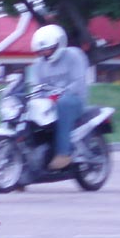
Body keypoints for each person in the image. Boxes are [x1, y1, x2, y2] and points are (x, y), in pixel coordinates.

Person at [27, 23, 90, 170]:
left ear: (59, 44)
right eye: (42, 50)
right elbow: (36, 86)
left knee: (63, 103)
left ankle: (64, 154)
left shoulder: (74, 56)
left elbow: (78, 83)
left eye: (48, 48)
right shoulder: (39, 64)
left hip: (74, 100)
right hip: (50, 102)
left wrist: (60, 94)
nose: (45, 52)